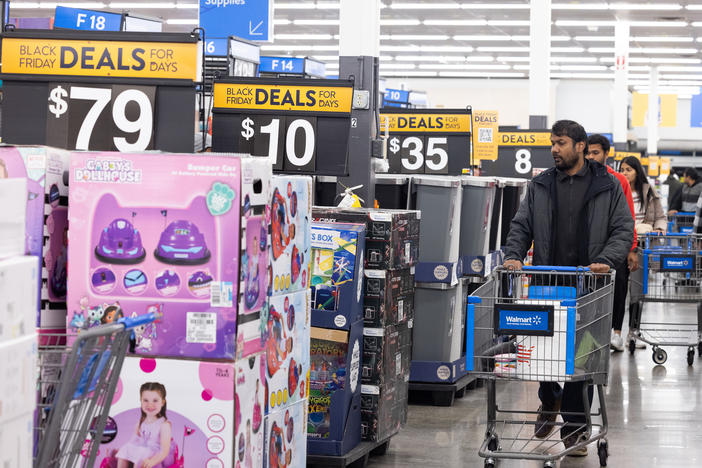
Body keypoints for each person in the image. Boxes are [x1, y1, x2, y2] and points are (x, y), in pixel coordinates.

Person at [502, 120, 633, 456]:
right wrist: (515, 256)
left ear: (579, 145)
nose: (554, 150)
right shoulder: (541, 184)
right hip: (549, 281)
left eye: (560, 143)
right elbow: (521, 225)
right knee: (543, 351)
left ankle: (575, 427)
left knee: (582, 356)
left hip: (590, 284)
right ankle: (549, 398)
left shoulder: (608, 185)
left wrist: (607, 259)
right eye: (552, 143)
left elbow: (622, 230)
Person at [585, 135, 638, 352]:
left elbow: (628, 218)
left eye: (595, 152)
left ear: (607, 154)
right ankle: (591, 333)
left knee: (619, 287)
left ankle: (616, 332)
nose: (590, 157)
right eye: (587, 152)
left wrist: (631, 248)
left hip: (615, 248)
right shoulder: (580, 179)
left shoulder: (618, 181)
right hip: (590, 249)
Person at [117, 382, 172, 468]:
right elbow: (133, 441)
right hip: (141, 451)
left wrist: (152, 461)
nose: (150, 405)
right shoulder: (140, 423)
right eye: (145, 400)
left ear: (162, 402)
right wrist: (123, 450)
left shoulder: (164, 425)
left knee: (142, 453)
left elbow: (164, 451)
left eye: (155, 400)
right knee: (126, 448)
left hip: (153, 458)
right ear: (141, 401)